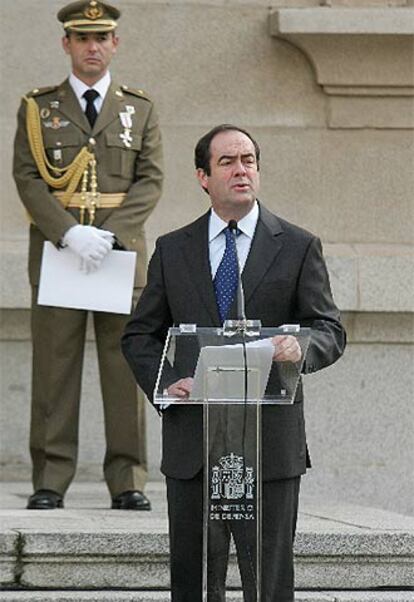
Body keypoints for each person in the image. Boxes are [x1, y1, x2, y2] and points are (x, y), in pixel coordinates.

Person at [121, 124, 346, 600]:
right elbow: (140, 334)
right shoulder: (173, 248)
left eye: (249, 160)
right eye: (227, 162)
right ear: (203, 176)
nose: (241, 169)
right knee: (196, 583)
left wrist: (301, 349)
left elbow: (330, 328)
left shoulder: (299, 245)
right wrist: (167, 384)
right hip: (195, 446)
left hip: (270, 444)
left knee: (266, 583)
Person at [12, 0, 163, 511]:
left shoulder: (138, 108)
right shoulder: (39, 107)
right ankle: (51, 479)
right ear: (66, 44)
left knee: (125, 368)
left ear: (115, 43)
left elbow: (151, 180)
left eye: (101, 38)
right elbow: (28, 177)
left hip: (119, 258)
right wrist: (68, 233)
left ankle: (128, 481)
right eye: (82, 38)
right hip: (61, 255)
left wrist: (114, 235)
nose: (92, 47)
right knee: (54, 370)